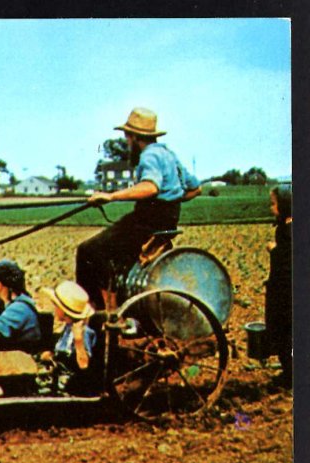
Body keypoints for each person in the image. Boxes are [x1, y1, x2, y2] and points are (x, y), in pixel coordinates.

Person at [77, 107, 202, 310]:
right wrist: (173, 199)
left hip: (148, 221)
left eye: (127, 138)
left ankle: (100, 312)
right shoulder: (169, 154)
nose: (127, 143)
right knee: (113, 251)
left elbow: (150, 187)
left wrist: (110, 196)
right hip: (167, 220)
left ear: (134, 137)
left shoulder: (149, 156)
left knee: (89, 251)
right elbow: (196, 189)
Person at [39, 281, 98, 394]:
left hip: (71, 385)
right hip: (57, 377)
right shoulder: (67, 328)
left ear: (65, 311)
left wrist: (78, 340)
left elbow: (83, 364)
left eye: (57, 306)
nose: (55, 309)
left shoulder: (83, 332)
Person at [266, 184, 292, 388]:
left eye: (273, 204)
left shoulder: (290, 229)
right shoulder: (285, 226)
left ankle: (290, 375)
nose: (271, 208)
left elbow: (289, 258)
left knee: (284, 331)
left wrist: (275, 250)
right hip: (282, 286)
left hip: (285, 290)